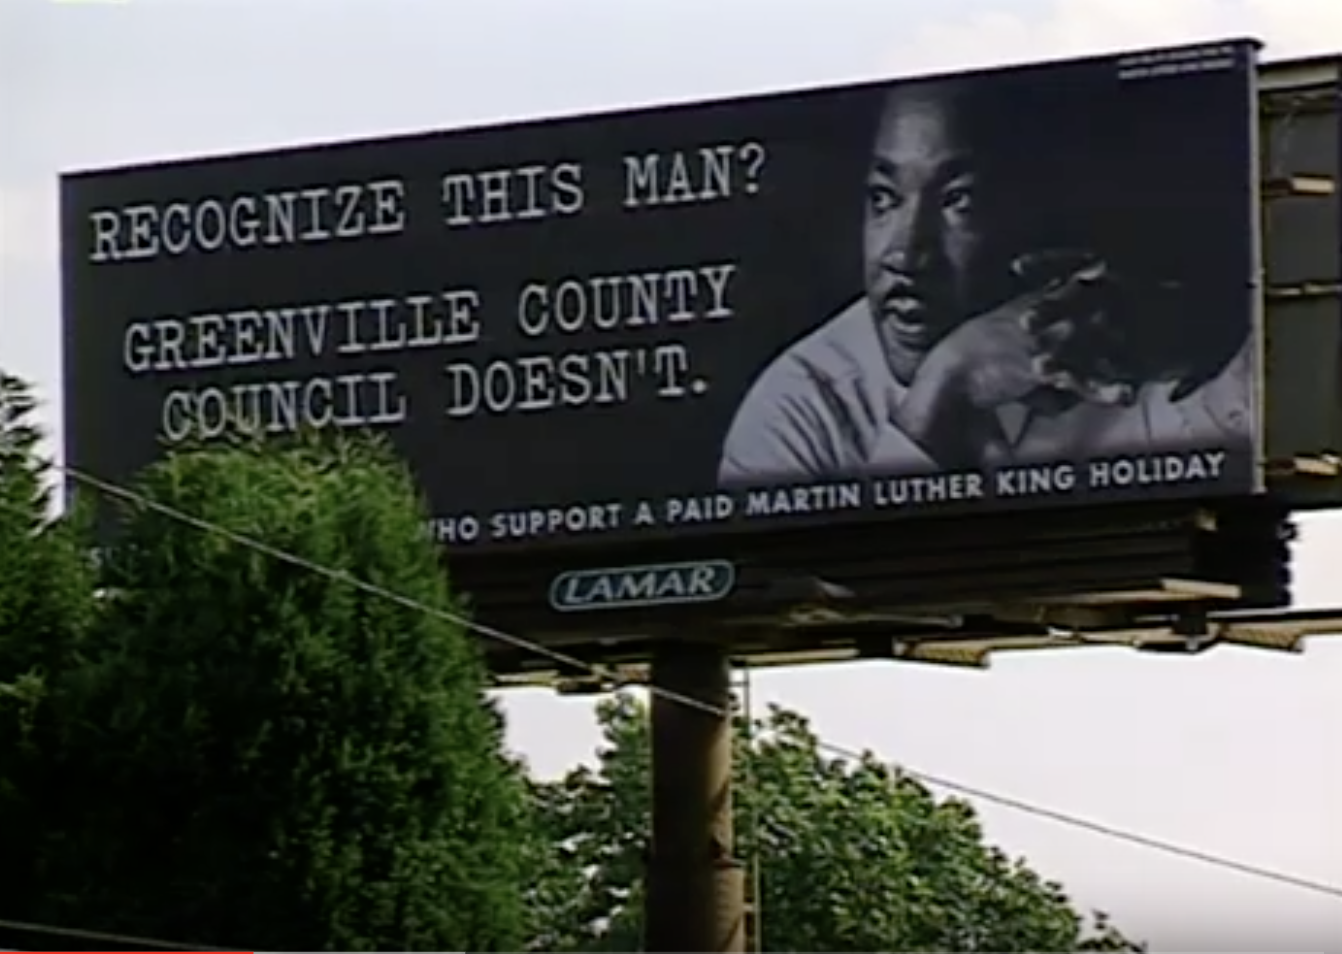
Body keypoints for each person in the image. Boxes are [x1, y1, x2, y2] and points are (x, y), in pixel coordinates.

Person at [718, 80, 1252, 486]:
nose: (905, 254)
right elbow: (811, 600)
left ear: (1038, 212)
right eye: (884, 199)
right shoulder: (802, 403)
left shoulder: (1141, 337)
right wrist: (940, 395)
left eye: (959, 201)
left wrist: (1202, 347)